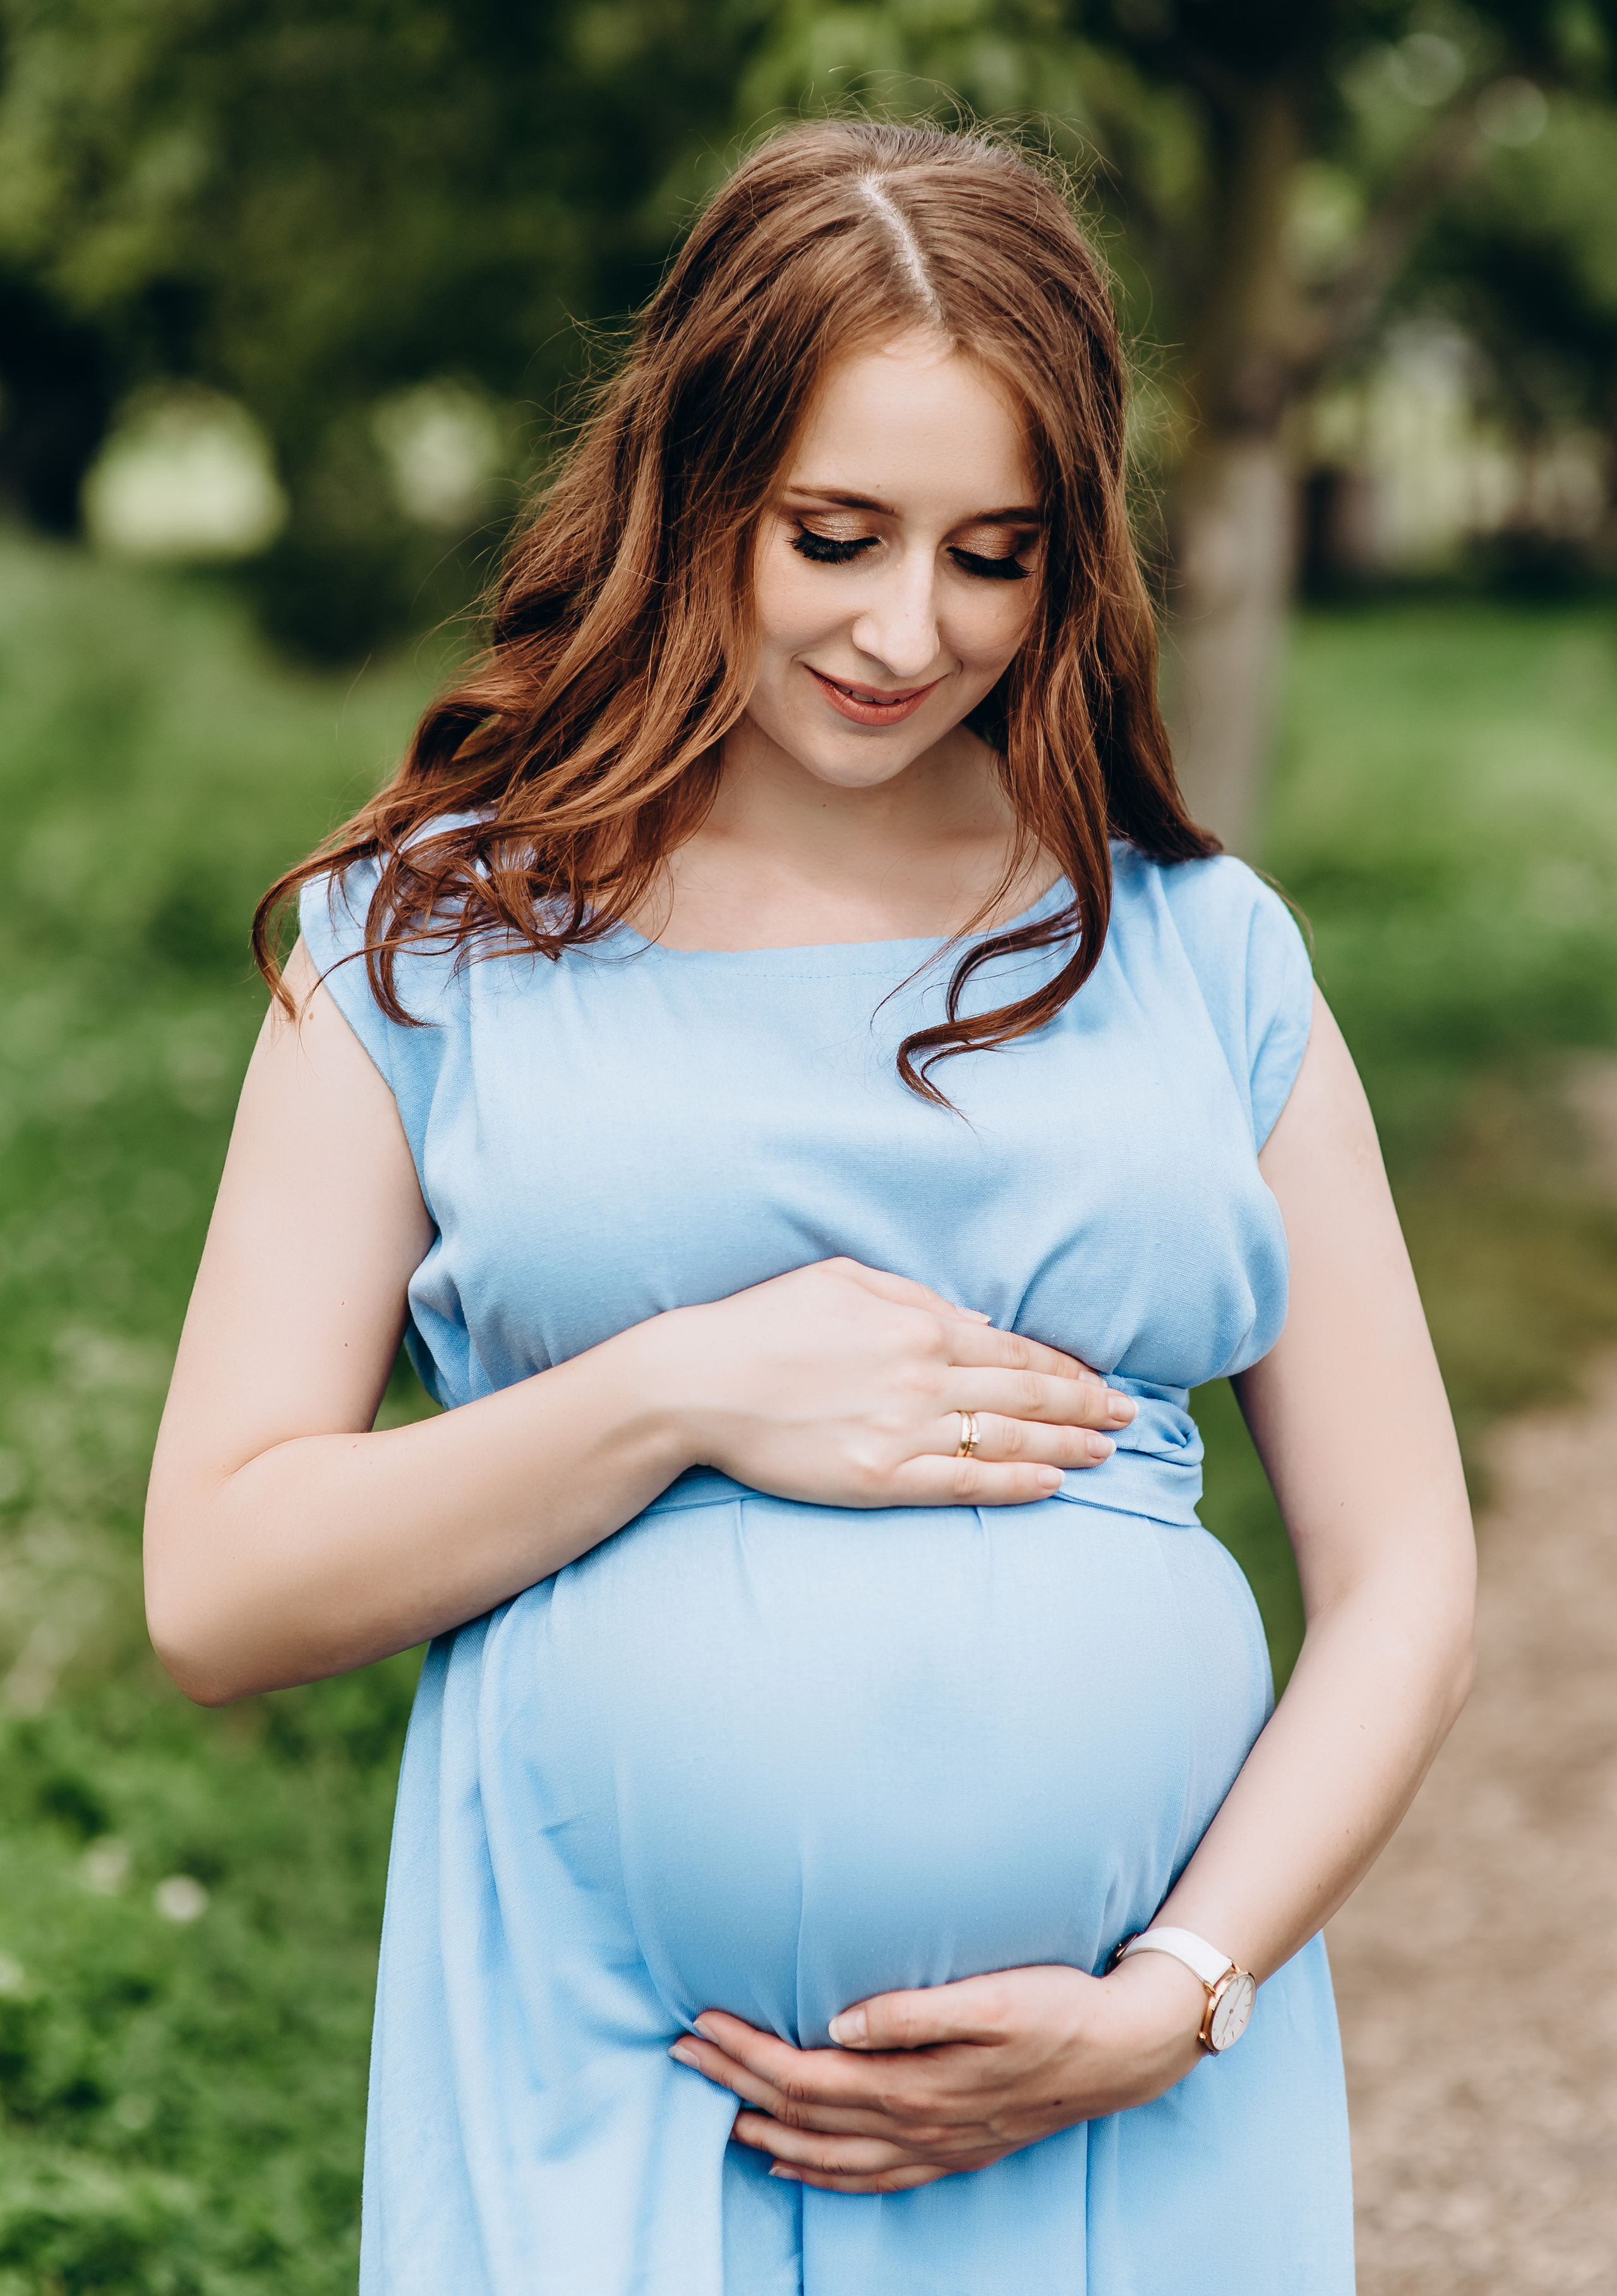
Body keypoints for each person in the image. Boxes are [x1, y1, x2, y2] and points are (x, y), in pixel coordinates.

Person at [145, 121, 1476, 2295]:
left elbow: (1409, 1570)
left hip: (1137, 2126)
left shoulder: (1195, 944)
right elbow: (215, 1581)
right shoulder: (427, 945)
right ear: (697, 493)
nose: (904, 629)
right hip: (617, 2102)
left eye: (993, 554)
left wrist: (1176, 1997)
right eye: (836, 535)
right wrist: (681, 1389)